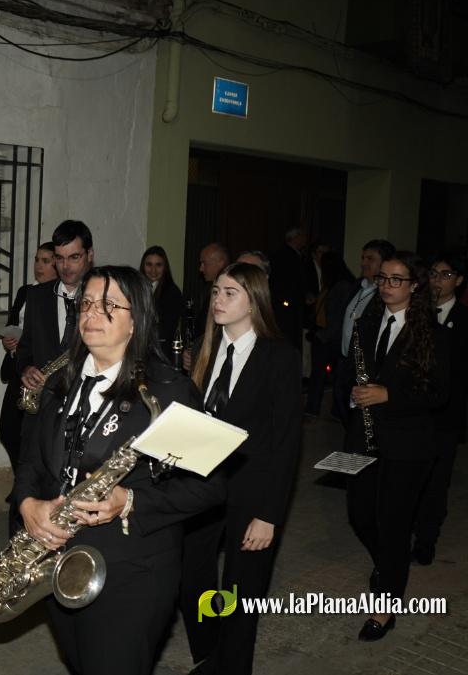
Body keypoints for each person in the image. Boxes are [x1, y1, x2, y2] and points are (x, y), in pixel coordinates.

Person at [13, 265, 225, 675]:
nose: (92, 314)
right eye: (87, 304)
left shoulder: (166, 393)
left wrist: (129, 500)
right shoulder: (60, 381)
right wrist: (27, 503)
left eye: (109, 306)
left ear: (137, 320)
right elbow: (32, 460)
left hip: (134, 569)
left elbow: (210, 489)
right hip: (59, 562)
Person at [179, 262, 303, 675]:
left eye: (230, 292)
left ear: (255, 302)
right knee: (191, 576)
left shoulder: (279, 357)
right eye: (215, 291)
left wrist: (269, 515)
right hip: (201, 487)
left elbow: (287, 444)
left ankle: (232, 666)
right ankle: (209, 652)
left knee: (240, 588)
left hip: (253, 491)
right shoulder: (204, 348)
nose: (218, 300)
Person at [344, 251, 449, 641]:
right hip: (363, 439)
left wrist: (389, 394)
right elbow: (347, 376)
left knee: (393, 524)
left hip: (409, 446)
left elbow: (439, 393)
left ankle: (385, 607)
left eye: (397, 279)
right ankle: (390, 562)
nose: (387, 286)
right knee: (359, 516)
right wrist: (353, 397)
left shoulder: (433, 334)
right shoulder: (366, 324)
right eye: (383, 279)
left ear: (414, 286)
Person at [412, 253, 468, 565]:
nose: (437, 280)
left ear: (458, 280)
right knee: (409, 477)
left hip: (445, 414)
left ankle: (427, 537)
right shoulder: (416, 312)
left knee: (437, 480)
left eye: (445, 275)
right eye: (433, 273)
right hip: (413, 411)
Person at [16, 220, 94, 445]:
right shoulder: (37, 296)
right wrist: (26, 368)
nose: (65, 266)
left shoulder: (104, 298)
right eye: (59, 258)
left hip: (83, 415)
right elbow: (25, 349)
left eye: (74, 257)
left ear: (89, 255)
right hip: (40, 415)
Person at [0, 242, 57, 534]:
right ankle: (23, 482)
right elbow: (14, 325)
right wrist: (10, 343)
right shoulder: (27, 292)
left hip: (45, 379)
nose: (40, 265)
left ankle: (28, 487)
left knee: (33, 441)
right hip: (21, 370)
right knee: (7, 431)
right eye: (38, 260)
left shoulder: (60, 299)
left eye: (46, 260)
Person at [332, 239, 395, 421]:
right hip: (344, 362)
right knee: (344, 410)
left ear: (384, 262)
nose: (363, 263)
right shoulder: (356, 286)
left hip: (363, 367)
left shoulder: (385, 296)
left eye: (370, 259)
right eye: (362, 258)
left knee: (360, 420)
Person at [305, 251, 356, 417]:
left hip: (329, 338)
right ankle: (330, 410)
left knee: (323, 376)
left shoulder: (341, 286)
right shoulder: (333, 284)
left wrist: (323, 336)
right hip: (326, 335)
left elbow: (339, 317)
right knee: (329, 376)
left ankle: (316, 409)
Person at [140, 245, 185, 361]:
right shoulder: (138, 288)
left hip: (161, 355)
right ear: (143, 266)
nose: (153, 270)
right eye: (149, 264)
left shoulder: (172, 292)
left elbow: (166, 330)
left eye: (158, 265)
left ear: (165, 267)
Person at [270, 227, 308, 351]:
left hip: (291, 305)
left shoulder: (295, 255)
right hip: (287, 307)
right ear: (295, 238)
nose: (304, 239)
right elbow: (286, 282)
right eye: (302, 236)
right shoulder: (285, 255)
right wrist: (291, 300)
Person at [194, 242, 229, 325]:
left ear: (220, 263)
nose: (201, 269)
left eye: (204, 263)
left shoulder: (226, 296)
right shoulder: (207, 290)